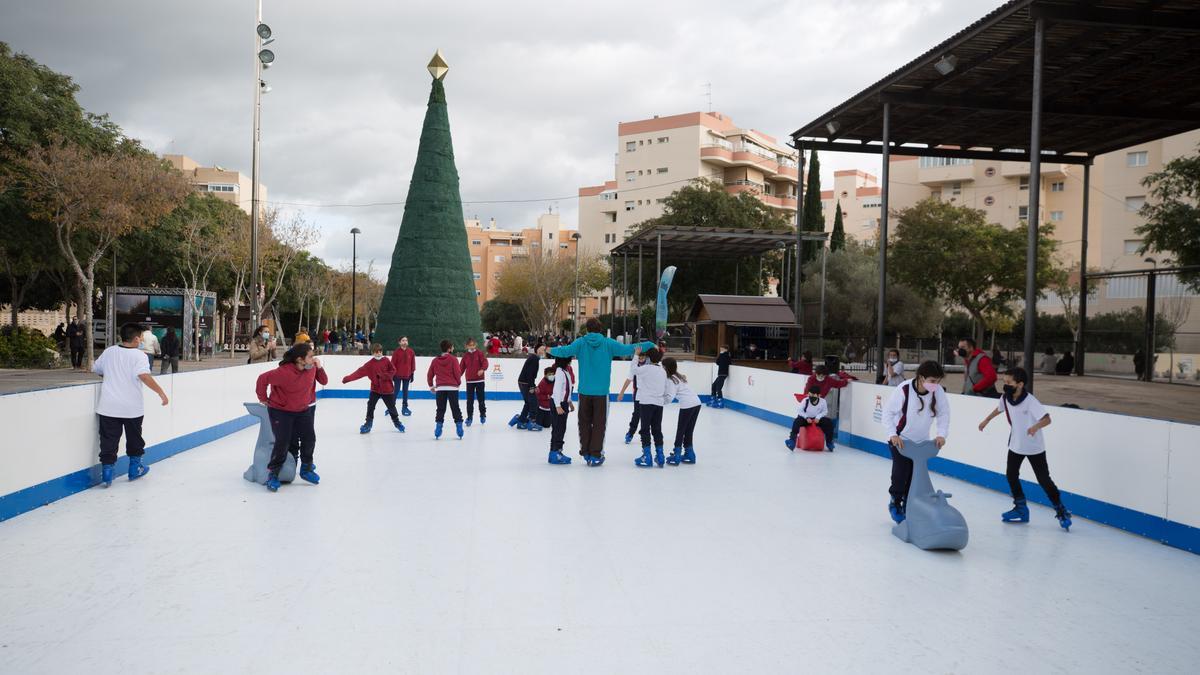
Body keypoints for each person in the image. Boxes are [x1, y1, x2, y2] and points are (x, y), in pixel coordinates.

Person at [549, 318, 655, 466]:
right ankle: (596, 455)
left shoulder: (580, 342)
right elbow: (627, 349)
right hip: (601, 392)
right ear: (600, 329)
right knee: (599, 424)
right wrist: (649, 345)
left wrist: (549, 349)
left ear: (587, 329)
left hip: (584, 391)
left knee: (584, 423)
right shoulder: (608, 343)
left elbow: (565, 351)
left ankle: (586, 452)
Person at [978, 367, 1072, 530]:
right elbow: (999, 409)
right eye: (1004, 382)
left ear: (1020, 384)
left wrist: (1035, 427)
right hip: (1016, 445)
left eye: (1009, 382)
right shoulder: (1006, 398)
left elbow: (1047, 419)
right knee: (1011, 476)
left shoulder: (1030, 401)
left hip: (1034, 448)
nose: (1005, 385)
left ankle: (1061, 510)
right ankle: (1021, 508)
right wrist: (987, 420)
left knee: (1044, 480)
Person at [92, 322, 170, 487]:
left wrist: (112, 375)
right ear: (136, 338)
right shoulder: (139, 356)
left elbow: (97, 369)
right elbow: (144, 375)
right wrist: (160, 392)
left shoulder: (109, 351)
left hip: (108, 406)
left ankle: (107, 472)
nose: (142, 339)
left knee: (108, 440)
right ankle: (135, 468)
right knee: (134, 438)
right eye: (141, 336)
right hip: (131, 407)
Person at [881, 360, 950, 524]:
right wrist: (892, 435)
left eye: (938, 381)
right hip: (900, 440)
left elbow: (944, 414)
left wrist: (941, 434)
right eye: (932, 381)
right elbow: (888, 413)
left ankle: (908, 505)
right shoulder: (904, 389)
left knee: (914, 477)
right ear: (921, 377)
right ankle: (895, 503)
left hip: (920, 443)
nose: (935, 385)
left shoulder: (937, 391)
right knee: (900, 474)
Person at [254, 343, 327, 492]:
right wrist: (262, 397)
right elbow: (262, 379)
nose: (314, 359)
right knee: (283, 442)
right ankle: (273, 473)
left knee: (309, 439)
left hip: (302, 410)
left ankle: (306, 469)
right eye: (311, 356)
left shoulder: (311, 368)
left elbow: (324, 381)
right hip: (281, 411)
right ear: (300, 359)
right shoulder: (283, 373)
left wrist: (319, 367)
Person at [343, 343, 405, 434]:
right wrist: (348, 378)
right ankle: (368, 423)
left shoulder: (386, 361)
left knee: (391, 407)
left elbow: (393, 371)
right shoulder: (369, 364)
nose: (378, 353)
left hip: (387, 389)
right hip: (375, 389)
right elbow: (359, 372)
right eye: (376, 352)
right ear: (373, 353)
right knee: (371, 406)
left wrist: (383, 376)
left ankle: (397, 422)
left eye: (380, 352)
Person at [632, 346, 668, 468]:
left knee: (645, 429)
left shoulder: (646, 368)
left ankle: (647, 456)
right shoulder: (663, 371)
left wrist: (636, 355)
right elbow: (666, 388)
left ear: (648, 357)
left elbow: (633, 370)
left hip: (646, 402)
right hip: (659, 403)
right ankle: (660, 455)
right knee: (657, 429)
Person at [663, 356, 701, 465]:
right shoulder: (678, 376)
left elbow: (669, 398)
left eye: (663, 366)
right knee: (688, 430)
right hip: (696, 403)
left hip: (688, 405)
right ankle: (690, 454)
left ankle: (677, 454)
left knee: (681, 430)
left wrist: (658, 401)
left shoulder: (671, 380)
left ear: (666, 368)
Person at [427, 339, 465, 440]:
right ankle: (459, 428)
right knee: (455, 408)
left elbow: (429, 374)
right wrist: (458, 383)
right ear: (449, 349)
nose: (453, 348)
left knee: (440, 409)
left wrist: (431, 386)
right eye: (452, 346)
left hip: (441, 388)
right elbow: (457, 373)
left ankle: (438, 429)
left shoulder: (435, 360)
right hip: (452, 388)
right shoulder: (453, 359)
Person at [809, 365, 851, 451]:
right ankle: (793, 440)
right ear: (816, 374)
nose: (821, 377)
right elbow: (806, 390)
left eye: (823, 376)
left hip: (819, 408)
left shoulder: (828, 380)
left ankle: (829, 442)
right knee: (799, 421)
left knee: (829, 424)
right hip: (809, 406)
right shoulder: (811, 379)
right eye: (819, 375)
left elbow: (838, 384)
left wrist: (846, 381)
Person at [785, 383, 835, 452]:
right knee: (797, 421)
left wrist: (818, 417)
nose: (811, 396)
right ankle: (792, 440)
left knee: (829, 422)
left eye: (813, 395)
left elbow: (825, 411)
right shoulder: (805, 400)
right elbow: (799, 410)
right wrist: (806, 417)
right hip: (806, 419)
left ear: (818, 395)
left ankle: (829, 442)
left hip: (817, 420)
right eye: (810, 394)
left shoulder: (823, 401)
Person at [510, 345, 546, 431]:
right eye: (542, 350)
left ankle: (521, 421)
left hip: (523, 382)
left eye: (544, 350)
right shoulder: (535, 359)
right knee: (534, 403)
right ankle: (532, 423)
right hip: (526, 383)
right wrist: (531, 387)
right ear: (537, 351)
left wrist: (533, 385)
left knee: (528, 403)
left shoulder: (533, 358)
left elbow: (531, 374)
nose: (543, 352)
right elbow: (530, 374)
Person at [548, 357, 576, 465]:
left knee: (559, 428)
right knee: (559, 428)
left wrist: (569, 402)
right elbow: (557, 389)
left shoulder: (565, 371)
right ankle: (556, 453)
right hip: (558, 403)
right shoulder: (560, 372)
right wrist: (558, 405)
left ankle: (554, 453)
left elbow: (566, 389)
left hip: (562, 403)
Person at [618, 350, 648, 444]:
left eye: (642, 358)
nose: (641, 359)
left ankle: (647, 436)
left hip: (649, 394)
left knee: (648, 416)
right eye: (639, 358)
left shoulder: (649, 367)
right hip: (638, 394)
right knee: (637, 414)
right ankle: (630, 433)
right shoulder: (635, 368)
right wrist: (622, 392)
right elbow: (628, 380)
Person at [460, 337, 489, 426]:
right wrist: (456, 377)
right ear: (467, 346)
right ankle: (469, 417)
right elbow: (461, 368)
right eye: (470, 345)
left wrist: (482, 369)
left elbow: (485, 363)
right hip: (469, 381)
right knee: (469, 401)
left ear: (475, 345)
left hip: (480, 380)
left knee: (481, 399)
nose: (471, 347)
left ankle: (483, 414)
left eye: (473, 345)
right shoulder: (465, 356)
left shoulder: (479, 353)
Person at [390, 336, 416, 416]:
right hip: (397, 375)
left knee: (405, 391)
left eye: (406, 340)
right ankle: (391, 406)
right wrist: (392, 375)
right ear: (399, 342)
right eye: (403, 340)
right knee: (396, 391)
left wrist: (412, 374)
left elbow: (413, 363)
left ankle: (404, 407)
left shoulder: (411, 352)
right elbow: (392, 364)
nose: (405, 342)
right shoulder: (396, 352)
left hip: (407, 375)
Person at [535, 366, 556, 430]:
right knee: (538, 425)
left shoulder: (556, 382)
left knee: (547, 426)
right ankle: (530, 417)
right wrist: (547, 397)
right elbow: (538, 395)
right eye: (549, 374)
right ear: (545, 375)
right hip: (541, 408)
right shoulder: (542, 383)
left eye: (553, 374)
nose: (551, 376)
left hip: (549, 408)